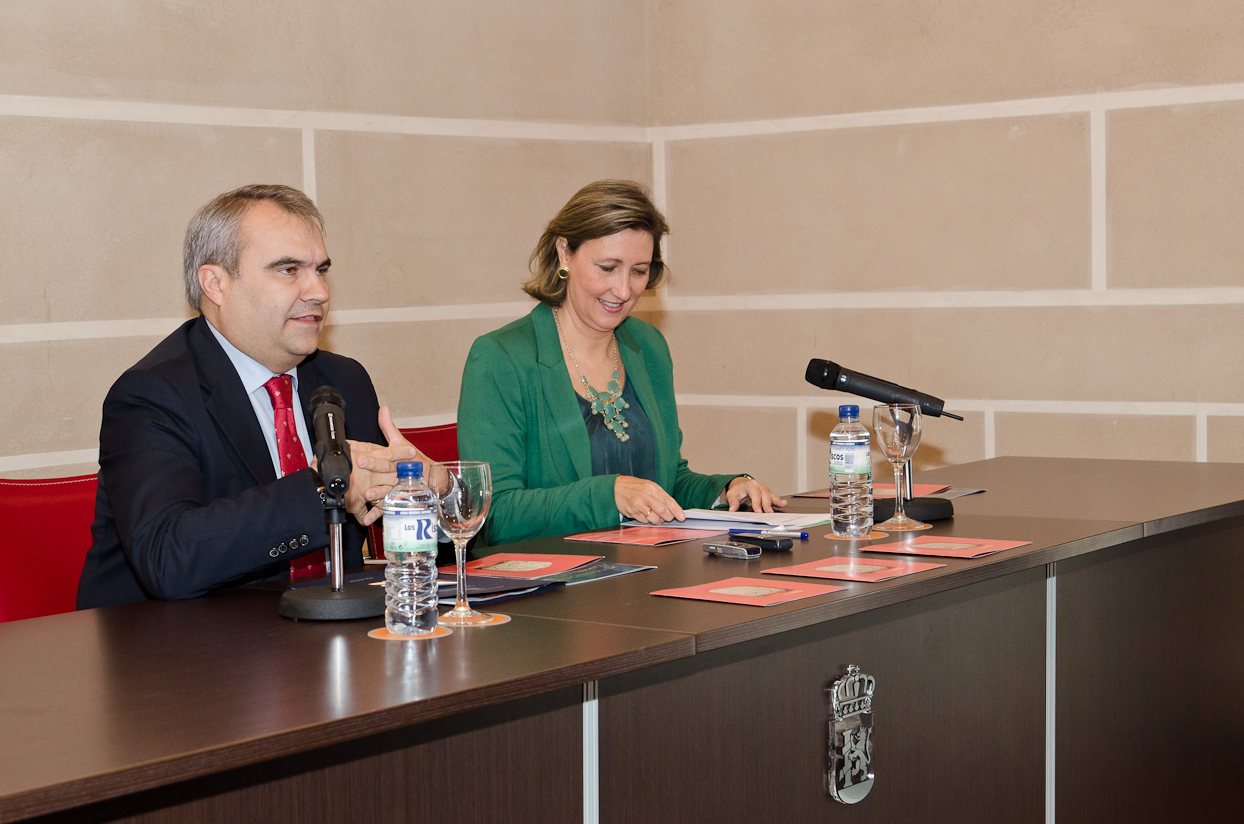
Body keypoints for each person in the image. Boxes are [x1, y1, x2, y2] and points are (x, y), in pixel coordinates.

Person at [77, 184, 420, 609]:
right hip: (174, 655)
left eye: (321, 270)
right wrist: (322, 491)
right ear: (215, 284)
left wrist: (422, 490)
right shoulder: (152, 395)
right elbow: (169, 558)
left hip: (323, 642)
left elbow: (398, 543)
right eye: (289, 270)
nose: (319, 292)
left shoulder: (342, 380)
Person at [457, 179, 786, 545]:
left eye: (639, 271)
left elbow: (667, 483)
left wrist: (726, 490)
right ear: (565, 253)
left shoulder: (648, 346)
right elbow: (494, 514)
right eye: (608, 267)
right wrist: (609, 495)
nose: (624, 290)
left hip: (647, 577)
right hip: (550, 589)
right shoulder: (500, 358)